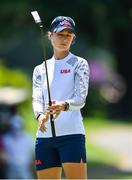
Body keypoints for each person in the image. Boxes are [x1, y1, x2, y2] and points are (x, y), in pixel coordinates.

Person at [32, 16, 90, 179]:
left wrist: (63, 105)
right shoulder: (39, 69)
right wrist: (39, 115)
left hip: (72, 135)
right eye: (60, 34)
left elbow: (80, 99)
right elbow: (37, 99)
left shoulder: (79, 63)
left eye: (68, 35)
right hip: (44, 138)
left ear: (73, 38)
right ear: (50, 35)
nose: (64, 39)